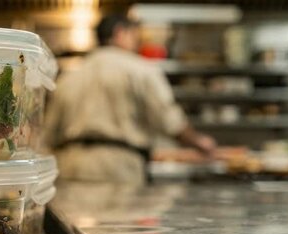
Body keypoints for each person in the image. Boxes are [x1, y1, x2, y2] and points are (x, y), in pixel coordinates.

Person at [44, 14, 217, 185]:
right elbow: (169, 121)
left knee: (74, 214)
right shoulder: (140, 70)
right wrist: (200, 142)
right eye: (135, 35)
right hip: (119, 168)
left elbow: (48, 136)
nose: (137, 42)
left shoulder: (69, 78)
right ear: (120, 33)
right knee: (117, 214)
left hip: (70, 166)